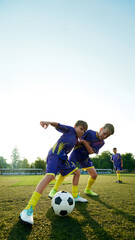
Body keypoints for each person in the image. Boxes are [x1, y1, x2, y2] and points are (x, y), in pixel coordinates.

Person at [19, 120, 88, 225]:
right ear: (75, 127)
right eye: (81, 129)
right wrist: (47, 122)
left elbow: (79, 144)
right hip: (55, 155)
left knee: (77, 172)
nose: (82, 131)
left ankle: (75, 196)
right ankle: (28, 209)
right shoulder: (69, 130)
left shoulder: (76, 139)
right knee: (50, 176)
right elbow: (57, 124)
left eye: (84, 131)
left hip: (63, 160)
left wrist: (83, 143)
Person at [48, 123, 115, 199]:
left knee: (94, 175)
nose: (105, 136)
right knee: (65, 172)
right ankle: (53, 190)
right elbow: (78, 139)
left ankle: (87, 189)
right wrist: (79, 142)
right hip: (76, 153)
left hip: (85, 156)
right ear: (101, 129)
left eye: (107, 136)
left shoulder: (102, 143)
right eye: (104, 133)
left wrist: (84, 142)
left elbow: (91, 151)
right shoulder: (89, 132)